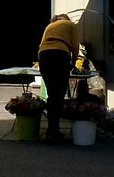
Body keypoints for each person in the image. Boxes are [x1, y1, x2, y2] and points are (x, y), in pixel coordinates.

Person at [38, 12, 78, 143]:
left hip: (44, 55)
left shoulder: (49, 27)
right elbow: (75, 46)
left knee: (51, 93)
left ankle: (51, 130)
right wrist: (73, 64)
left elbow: (41, 45)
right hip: (60, 55)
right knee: (59, 93)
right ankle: (54, 132)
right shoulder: (70, 25)